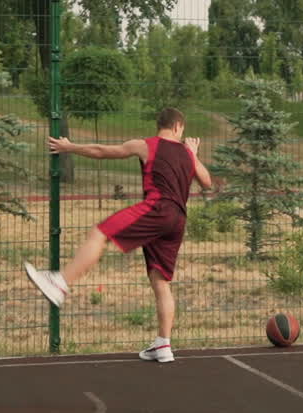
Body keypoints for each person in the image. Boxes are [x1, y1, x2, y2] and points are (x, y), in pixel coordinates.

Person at [24, 107, 213, 363]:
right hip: (178, 220)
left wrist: (70, 147)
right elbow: (207, 182)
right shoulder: (187, 154)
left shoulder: (146, 145)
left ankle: (60, 283)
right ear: (179, 127)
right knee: (161, 281)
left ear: (163, 125)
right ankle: (163, 345)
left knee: (99, 232)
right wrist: (193, 153)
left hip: (158, 209)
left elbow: (102, 152)